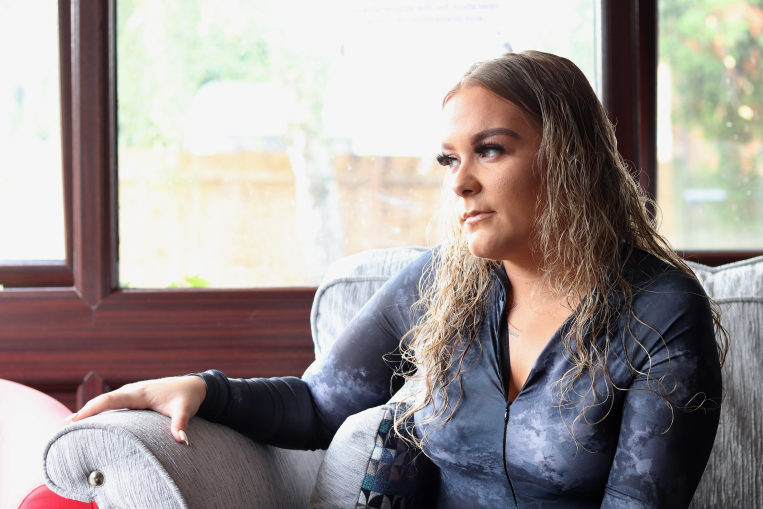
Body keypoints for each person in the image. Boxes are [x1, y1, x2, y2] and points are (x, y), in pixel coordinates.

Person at [70, 51, 726, 508]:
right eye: (448, 159)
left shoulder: (658, 312)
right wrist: (199, 388)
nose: (459, 180)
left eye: (490, 149)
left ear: (568, 158)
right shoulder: (441, 282)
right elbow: (321, 403)